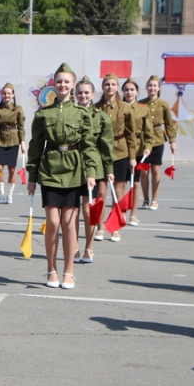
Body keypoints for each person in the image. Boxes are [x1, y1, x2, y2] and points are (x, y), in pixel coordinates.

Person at [26, 64, 98, 291]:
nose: (63, 85)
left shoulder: (82, 114)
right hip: (50, 169)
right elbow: (36, 146)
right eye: (59, 81)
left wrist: (91, 172)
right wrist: (32, 175)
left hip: (74, 169)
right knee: (53, 222)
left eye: (67, 82)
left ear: (73, 85)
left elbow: (88, 144)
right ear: (53, 85)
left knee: (69, 223)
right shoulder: (43, 114)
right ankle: (51, 268)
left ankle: (69, 271)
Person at [93, 74, 137, 242]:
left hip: (120, 152)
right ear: (103, 87)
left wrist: (132, 157)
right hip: (101, 153)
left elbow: (131, 135)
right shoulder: (96, 108)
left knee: (118, 192)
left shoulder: (125, 108)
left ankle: (115, 227)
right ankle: (100, 227)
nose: (110, 87)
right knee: (101, 192)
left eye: (113, 84)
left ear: (117, 87)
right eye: (107, 84)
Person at [75, 77, 113, 263]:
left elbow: (106, 145)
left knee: (88, 210)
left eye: (86, 93)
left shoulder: (101, 117)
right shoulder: (69, 114)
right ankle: (73, 247)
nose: (83, 96)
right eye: (80, 92)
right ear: (75, 94)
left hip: (93, 168)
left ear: (93, 95)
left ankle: (89, 247)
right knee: (71, 211)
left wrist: (109, 169)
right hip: (71, 167)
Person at [139, 76, 176, 210]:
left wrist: (172, 140)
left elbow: (168, 123)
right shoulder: (141, 103)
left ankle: (155, 199)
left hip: (158, 139)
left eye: (155, 86)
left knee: (155, 170)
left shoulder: (164, 104)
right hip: (144, 140)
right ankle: (145, 199)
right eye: (150, 85)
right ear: (146, 88)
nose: (152, 88)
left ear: (159, 88)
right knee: (143, 171)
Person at [0, 83, 26, 204]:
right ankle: (1, 194)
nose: (7, 95)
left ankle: (10, 194)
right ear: (2, 94)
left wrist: (23, 142)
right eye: (4, 93)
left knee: (12, 169)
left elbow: (21, 127)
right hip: (0, 139)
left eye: (9, 93)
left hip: (13, 140)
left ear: (13, 94)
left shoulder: (18, 109)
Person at [122, 78, 153, 226]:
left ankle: (133, 214)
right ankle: (120, 213)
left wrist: (148, 146)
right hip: (121, 149)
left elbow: (149, 131)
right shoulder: (119, 107)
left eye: (132, 90)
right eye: (126, 89)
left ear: (137, 92)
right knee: (120, 183)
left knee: (135, 182)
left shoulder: (143, 109)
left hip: (138, 148)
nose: (129, 92)